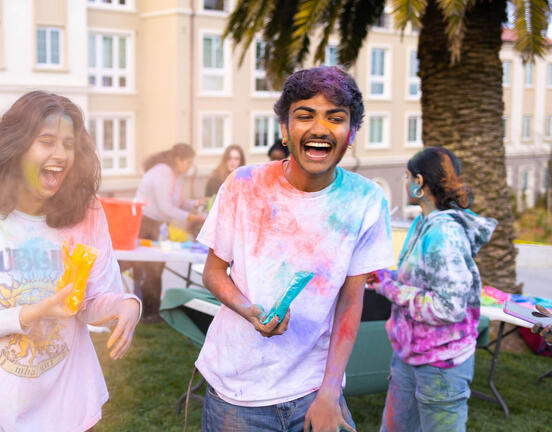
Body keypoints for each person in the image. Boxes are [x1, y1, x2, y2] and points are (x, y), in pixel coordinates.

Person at [0, 91, 141, 432]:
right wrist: (34, 312)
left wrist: (126, 304)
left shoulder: (87, 215)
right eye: (47, 141)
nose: (61, 155)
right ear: (16, 147)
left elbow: (89, 302)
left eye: (69, 144)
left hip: (66, 406)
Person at [197, 66, 394, 432]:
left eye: (335, 118)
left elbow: (351, 302)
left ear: (350, 134)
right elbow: (213, 272)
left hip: (314, 388)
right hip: (238, 391)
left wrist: (330, 392)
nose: (320, 128)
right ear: (285, 131)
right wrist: (250, 311)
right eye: (305, 115)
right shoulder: (244, 185)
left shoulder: (366, 200)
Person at [368, 147, 497, 432]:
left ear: (419, 182)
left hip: (440, 367)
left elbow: (449, 306)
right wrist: (382, 277)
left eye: (406, 176)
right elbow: (417, 281)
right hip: (408, 358)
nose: (404, 182)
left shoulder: (444, 234)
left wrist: (391, 289)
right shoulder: (422, 223)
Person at [133, 143, 205, 320]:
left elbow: (178, 201)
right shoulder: (162, 173)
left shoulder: (174, 175)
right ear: (178, 160)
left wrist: (195, 204)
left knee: (157, 267)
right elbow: (166, 208)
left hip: (156, 224)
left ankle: (152, 311)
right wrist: (192, 218)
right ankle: (148, 313)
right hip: (144, 223)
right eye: (188, 162)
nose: (189, 167)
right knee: (151, 267)